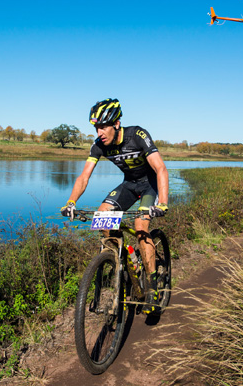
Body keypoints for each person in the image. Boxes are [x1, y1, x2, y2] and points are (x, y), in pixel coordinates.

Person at [61, 98, 169, 314]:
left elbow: (160, 169)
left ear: (116, 124)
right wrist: (71, 202)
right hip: (128, 185)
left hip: (149, 186)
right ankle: (123, 259)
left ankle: (151, 285)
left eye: (103, 126)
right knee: (103, 218)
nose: (99, 132)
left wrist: (163, 203)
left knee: (140, 228)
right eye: (96, 127)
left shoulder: (137, 135)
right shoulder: (99, 146)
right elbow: (84, 177)